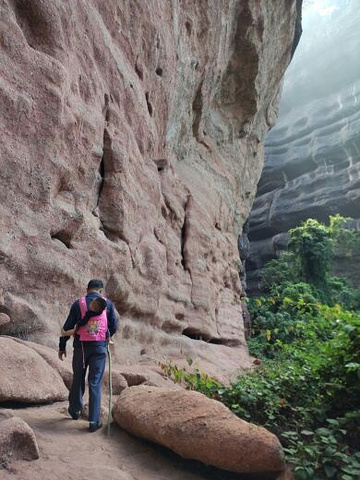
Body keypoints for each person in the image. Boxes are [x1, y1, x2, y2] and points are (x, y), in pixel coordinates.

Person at [58, 279, 118, 432]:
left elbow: (67, 327)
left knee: (78, 377)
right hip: (99, 348)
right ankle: (93, 421)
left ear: (87, 289)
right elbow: (114, 325)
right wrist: (107, 335)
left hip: (81, 348)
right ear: (101, 291)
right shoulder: (108, 304)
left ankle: (75, 410)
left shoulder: (79, 304)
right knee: (95, 382)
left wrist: (62, 346)